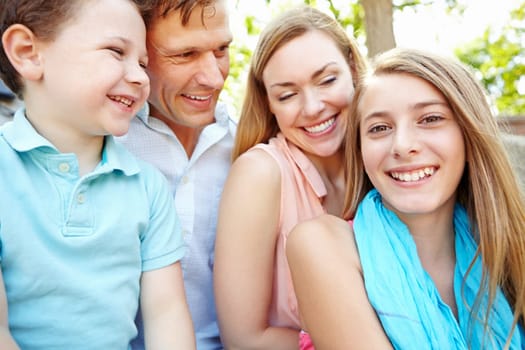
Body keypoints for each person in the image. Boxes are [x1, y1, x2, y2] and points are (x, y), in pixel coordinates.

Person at [286, 48, 525, 349]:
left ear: (468, 134)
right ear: (360, 151)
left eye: (429, 119)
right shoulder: (322, 244)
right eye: (380, 128)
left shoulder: (508, 250)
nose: (402, 145)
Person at [0, 1, 196, 349]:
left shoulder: (147, 187)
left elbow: (167, 315)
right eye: (115, 51)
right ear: (28, 53)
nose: (139, 76)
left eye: (142, 63)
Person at [213, 6, 367, 348]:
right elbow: (244, 339)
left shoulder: (382, 164)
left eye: (327, 80)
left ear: (353, 70)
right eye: (287, 94)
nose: (312, 107)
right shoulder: (260, 174)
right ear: (268, 103)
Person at [115, 0, 235, 349]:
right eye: (184, 55)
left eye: (222, 49)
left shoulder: (248, 146)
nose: (214, 77)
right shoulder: (106, 145)